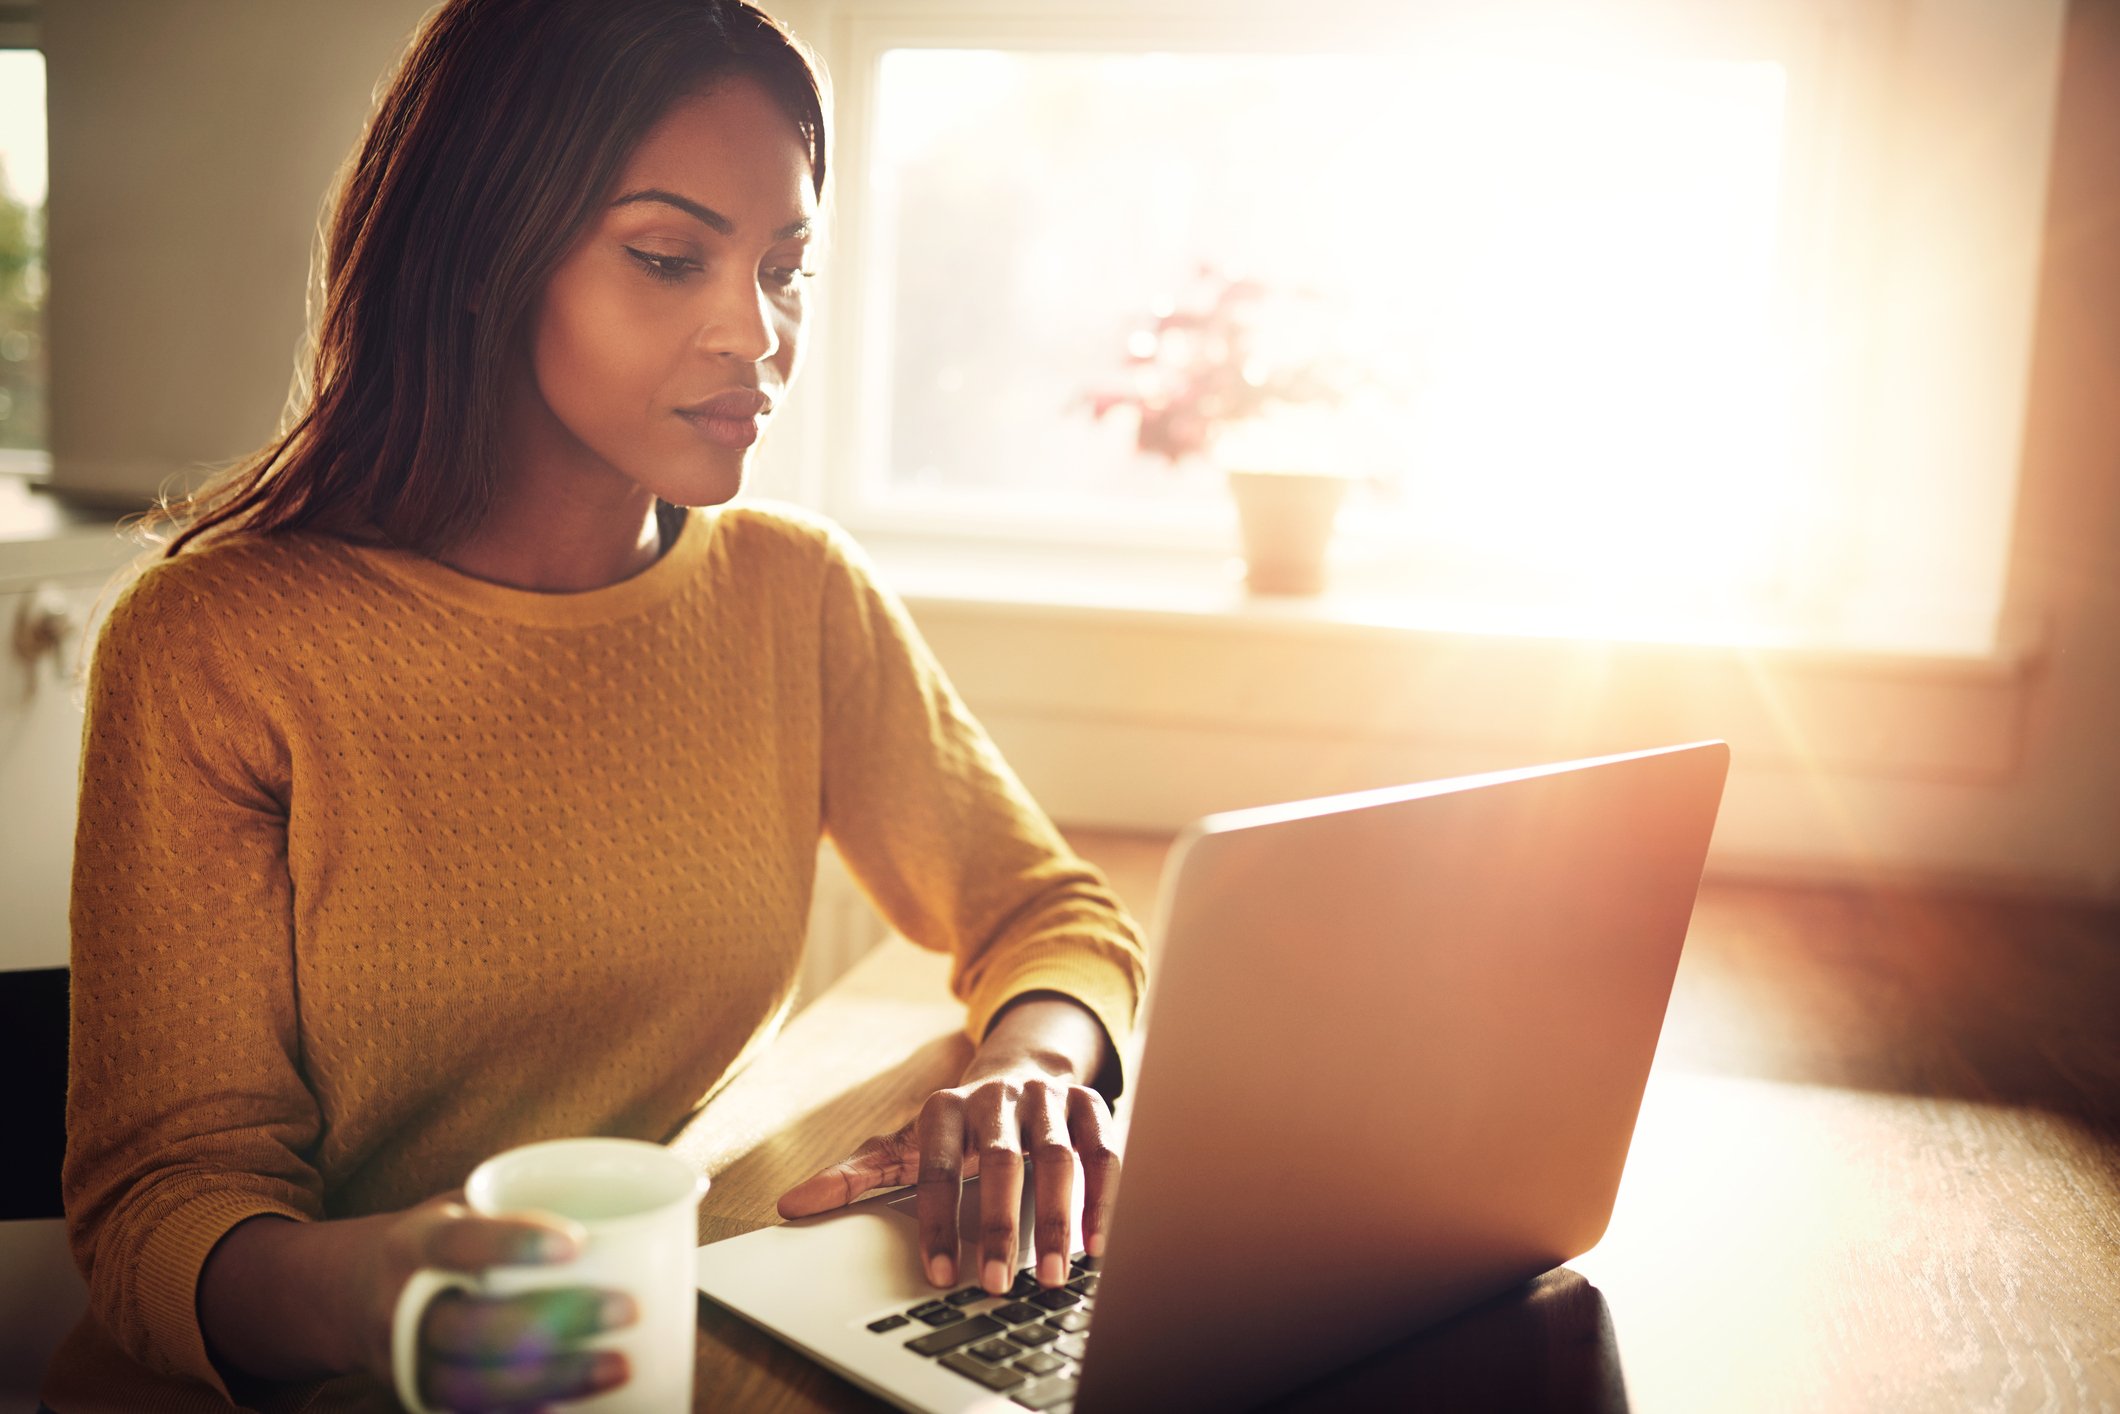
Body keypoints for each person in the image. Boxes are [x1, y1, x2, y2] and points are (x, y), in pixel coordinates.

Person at [44, 2, 1148, 1410]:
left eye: (786, 266)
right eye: (669, 257)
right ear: (485, 253)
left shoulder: (793, 594)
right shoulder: (216, 645)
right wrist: (393, 1290)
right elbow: (159, 1210)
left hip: (634, 1349)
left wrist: (1032, 1069)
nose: (757, 331)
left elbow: (1049, 913)